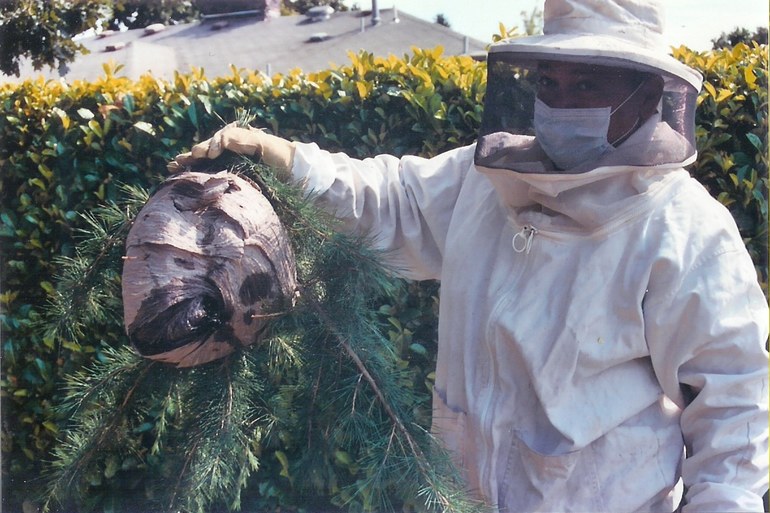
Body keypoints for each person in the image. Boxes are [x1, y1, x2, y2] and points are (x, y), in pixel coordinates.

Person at [171, 0, 769, 511]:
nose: (561, 101)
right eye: (549, 82)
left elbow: (736, 411)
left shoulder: (686, 232)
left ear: (648, 93)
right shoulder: (483, 180)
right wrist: (285, 157)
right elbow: (391, 199)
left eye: (587, 84)